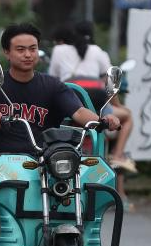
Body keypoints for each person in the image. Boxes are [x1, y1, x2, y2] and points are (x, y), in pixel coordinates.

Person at [0, 23, 120, 209]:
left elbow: (78, 111)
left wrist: (102, 120)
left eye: (33, 49)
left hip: (42, 159)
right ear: (7, 52)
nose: (28, 55)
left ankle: (81, 229)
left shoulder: (52, 85)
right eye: (20, 49)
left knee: (95, 172)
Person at [49, 21, 136, 173]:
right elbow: (110, 83)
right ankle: (117, 156)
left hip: (69, 98)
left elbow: (52, 81)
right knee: (126, 116)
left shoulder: (59, 50)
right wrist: (118, 106)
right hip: (95, 100)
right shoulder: (98, 51)